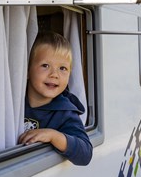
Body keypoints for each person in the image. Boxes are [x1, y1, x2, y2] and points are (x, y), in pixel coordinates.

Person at [18, 31, 93, 166]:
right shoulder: (14, 103)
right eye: (45, 66)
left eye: (63, 68)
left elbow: (85, 154)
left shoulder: (65, 113)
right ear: (27, 70)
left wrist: (53, 136)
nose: (54, 74)